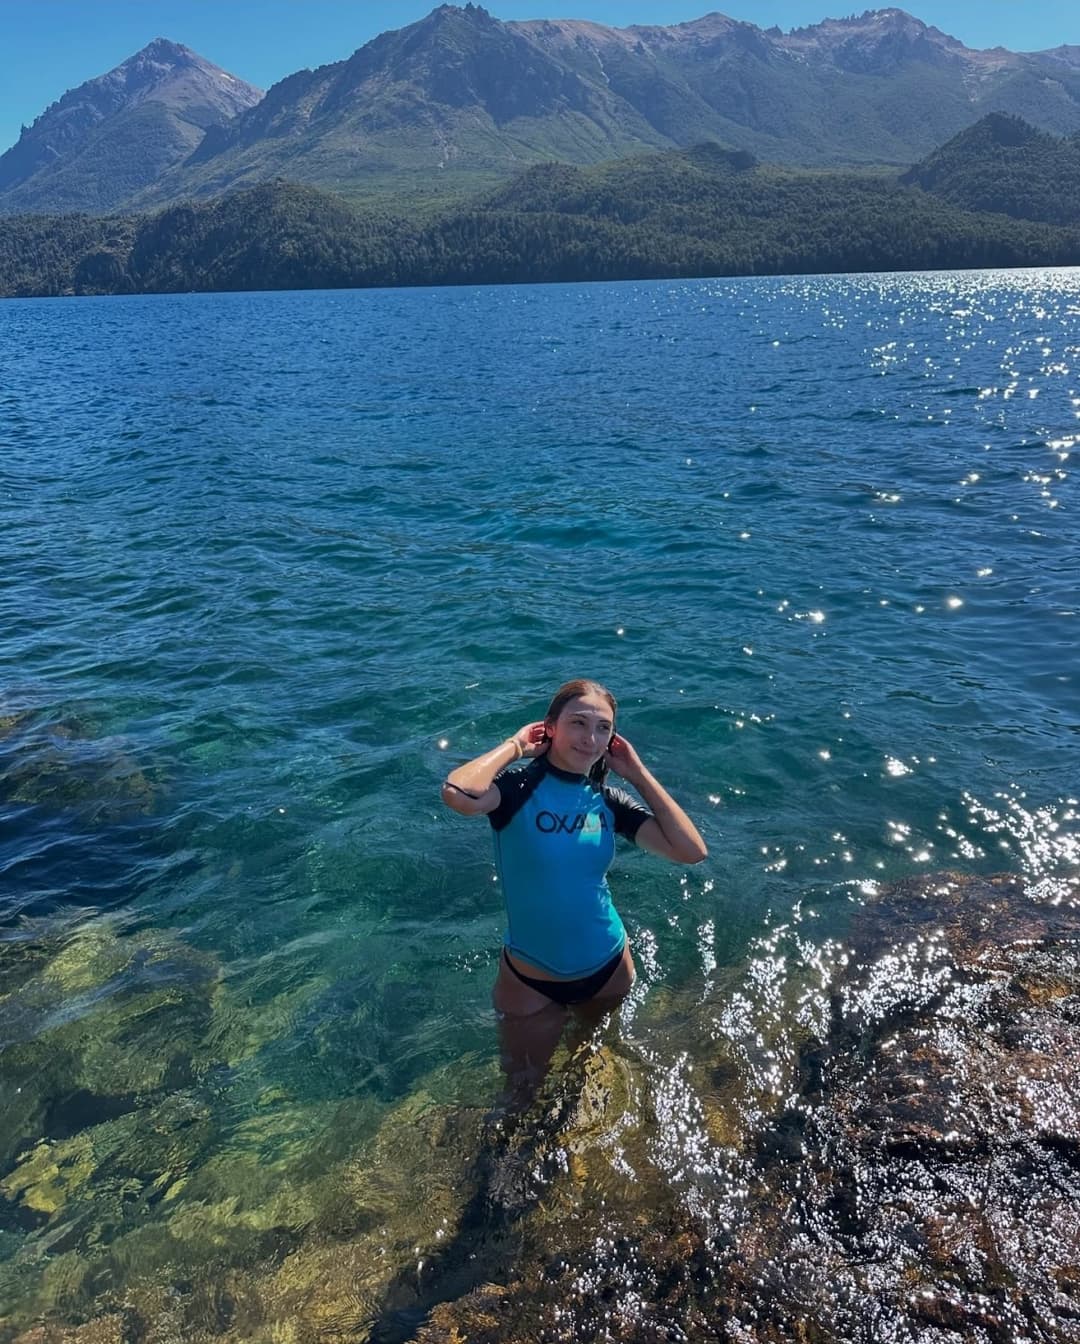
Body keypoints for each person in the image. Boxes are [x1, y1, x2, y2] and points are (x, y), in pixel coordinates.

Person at [440, 678, 707, 1022]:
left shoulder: (608, 802)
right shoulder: (517, 790)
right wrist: (515, 746)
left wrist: (637, 774)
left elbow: (690, 851)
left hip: (610, 965)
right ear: (549, 727)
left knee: (596, 1064)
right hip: (532, 979)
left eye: (603, 728)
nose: (590, 738)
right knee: (525, 1077)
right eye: (578, 723)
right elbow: (457, 793)